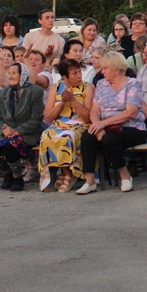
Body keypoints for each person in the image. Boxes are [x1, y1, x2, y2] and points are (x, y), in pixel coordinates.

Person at [77, 51, 147, 194]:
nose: (102, 72)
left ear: (116, 70)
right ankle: (90, 180)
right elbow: (95, 110)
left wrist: (104, 124)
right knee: (87, 136)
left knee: (109, 139)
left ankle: (124, 175)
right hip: (106, 126)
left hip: (131, 127)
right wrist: (97, 125)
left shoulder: (133, 84)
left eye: (105, 68)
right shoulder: (102, 84)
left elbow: (131, 112)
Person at [0, 62, 45, 192]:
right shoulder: (4, 92)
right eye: (9, 73)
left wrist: (16, 131)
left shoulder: (36, 91)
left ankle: (17, 178)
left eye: (14, 73)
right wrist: (4, 130)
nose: (10, 76)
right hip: (6, 132)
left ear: (23, 75)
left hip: (27, 132)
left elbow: (36, 119)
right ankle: (8, 173)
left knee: (10, 146)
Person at [37, 58, 93, 192]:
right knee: (47, 135)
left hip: (80, 125)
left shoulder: (88, 87)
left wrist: (73, 101)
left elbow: (88, 117)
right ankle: (65, 173)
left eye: (80, 72)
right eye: (74, 73)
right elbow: (48, 116)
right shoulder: (55, 88)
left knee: (68, 136)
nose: (79, 75)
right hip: (60, 124)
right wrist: (61, 102)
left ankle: (70, 174)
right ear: (65, 77)